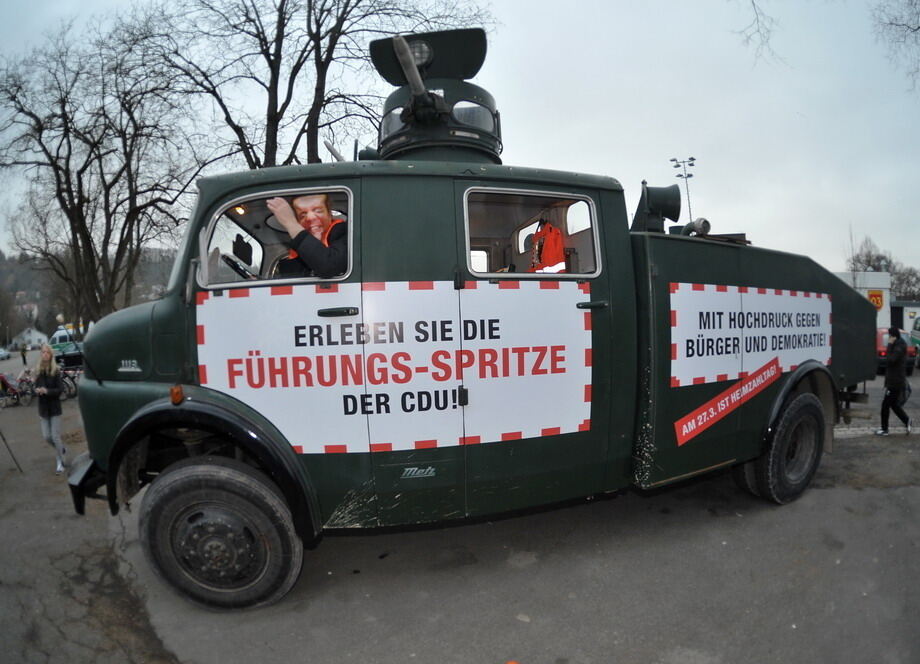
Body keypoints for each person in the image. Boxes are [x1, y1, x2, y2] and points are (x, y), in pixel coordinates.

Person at [266, 194, 347, 278]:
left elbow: (329, 267)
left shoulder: (345, 234)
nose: (310, 218)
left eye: (318, 211)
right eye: (303, 215)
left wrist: (290, 223)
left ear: (329, 214)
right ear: (298, 222)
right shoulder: (296, 249)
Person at [34, 344, 66, 473]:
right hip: (43, 408)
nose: (45, 354)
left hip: (54, 408)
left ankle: (60, 460)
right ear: (41, 354)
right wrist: (36, 390)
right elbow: (34, 388)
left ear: (51, 355)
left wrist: (47, 391)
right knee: (47, 436)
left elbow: (60, 390)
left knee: (55, 436)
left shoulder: (56, 370)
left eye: (47, 352)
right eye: (43, 352)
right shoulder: (38, 371)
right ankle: (62, 448)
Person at [876, 326, 911, 436]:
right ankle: (907, 420)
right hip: (893, 380)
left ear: (893, 336)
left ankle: (884, 429)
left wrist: (889, 345)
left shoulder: (899, 345)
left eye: (890, 336)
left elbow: (891, 360)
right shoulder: (898, 344)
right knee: (894, 405)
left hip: (896, 382)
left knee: (885, 405)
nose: (889, 338)